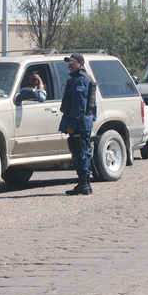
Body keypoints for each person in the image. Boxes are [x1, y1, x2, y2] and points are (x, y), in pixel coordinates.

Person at [59, 53, 97, 195]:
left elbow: (79, 107)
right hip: (84, 123)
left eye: (73, 63)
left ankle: (84, 185)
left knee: (80, 153)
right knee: (83, 152)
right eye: (69, 63)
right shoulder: (82, 79)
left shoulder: (80, 81)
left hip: (80, 124)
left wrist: (72, 125)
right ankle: (84, 184)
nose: (70, 65)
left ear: (81, 63)